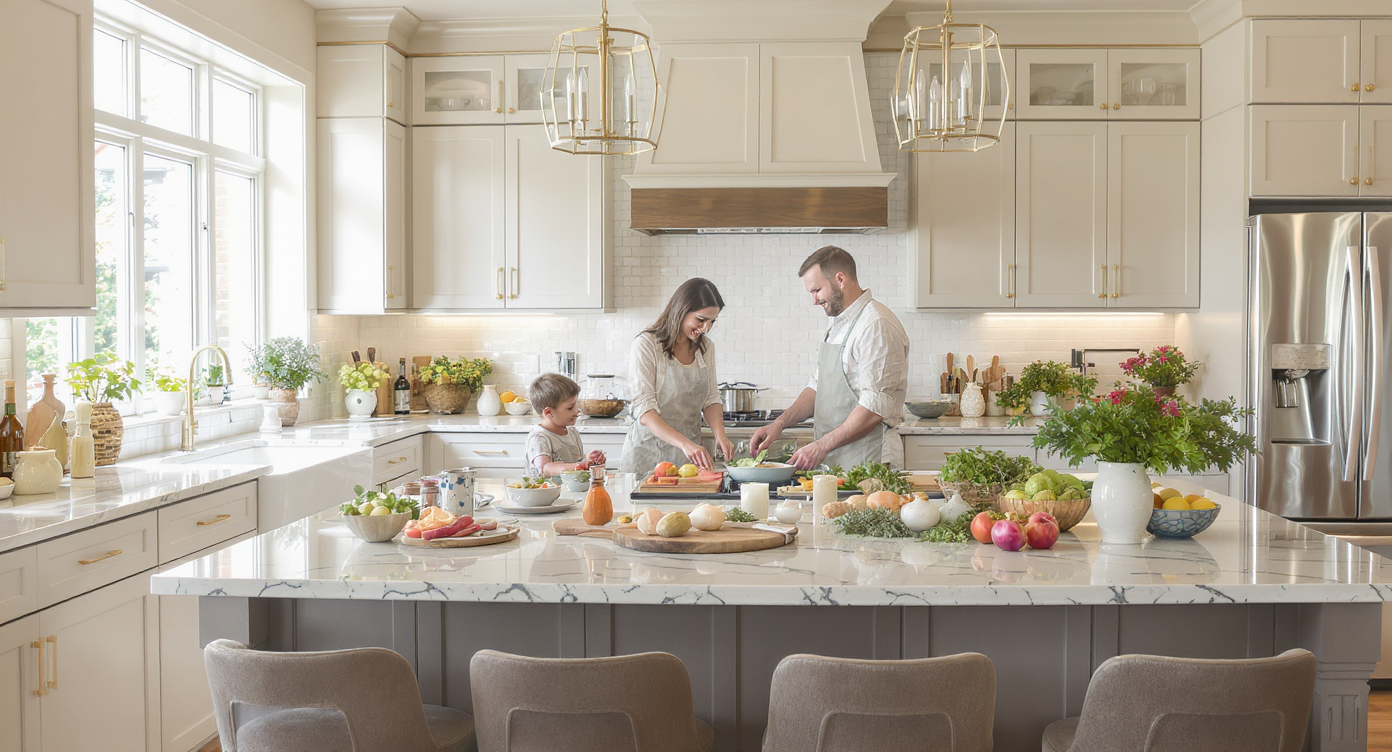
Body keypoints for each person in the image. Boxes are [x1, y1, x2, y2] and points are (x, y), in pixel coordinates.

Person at [750, 246, 910, 470]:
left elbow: (873, 409)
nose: (814, 301)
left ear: (841, 280)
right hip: (837, 460)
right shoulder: (838, 324)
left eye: (816, 290)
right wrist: (780, 423)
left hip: (870, 460)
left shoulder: (876, 325)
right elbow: (818, 387)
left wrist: (820, 446)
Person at [618, 278, 735, 475]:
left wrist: (720, 436)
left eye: (712, 322)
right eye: (701, 319)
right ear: (681, 310)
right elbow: (645, 411)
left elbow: (711, 399)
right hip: (647, 456)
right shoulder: (647, 345)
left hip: (688, 459)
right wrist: (686, 445)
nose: (706, 328)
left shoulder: (706, 348)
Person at [525, 373, 605, 477]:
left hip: (570, 492)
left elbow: (573, 461)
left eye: (576, 405)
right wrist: (580, 465)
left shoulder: (572, 432)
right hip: (546, 492)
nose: (577, 411)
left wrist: (590, 460)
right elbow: (545, 469)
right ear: (549, 413)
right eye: (570, 407)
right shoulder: (539, 438)